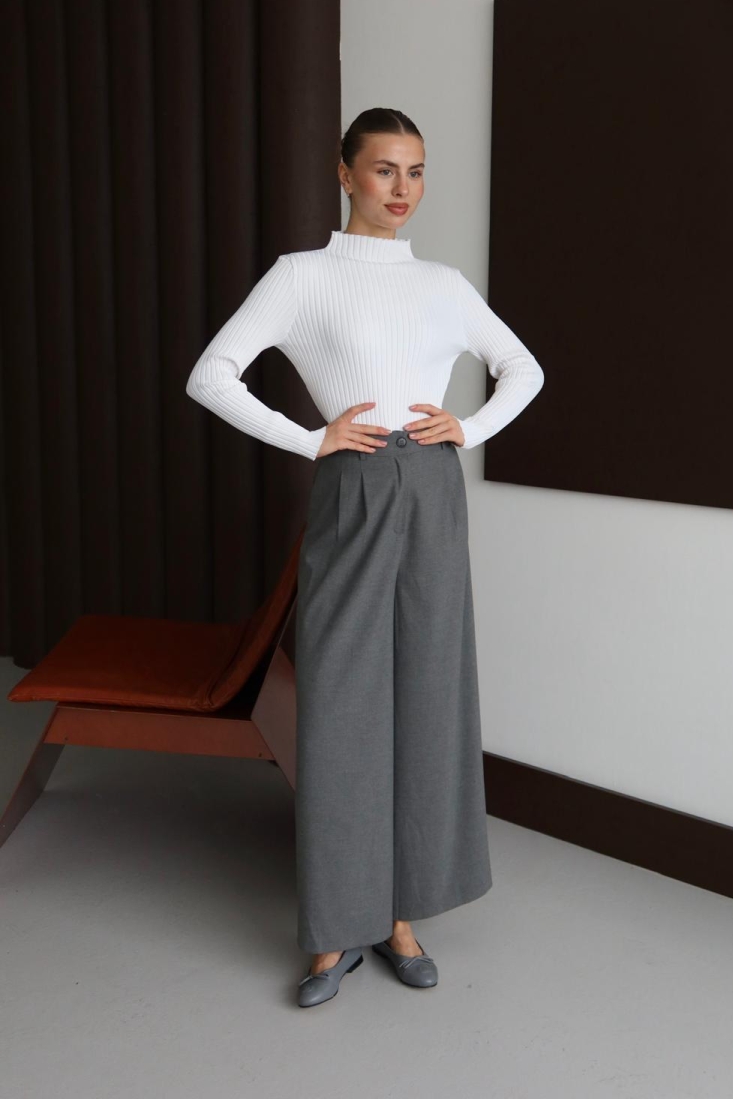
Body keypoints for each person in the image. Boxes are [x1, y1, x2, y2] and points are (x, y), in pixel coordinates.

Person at [186, 107, 544, 1008]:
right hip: (351, 484)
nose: (402, 189)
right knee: (342, 703)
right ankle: (333, 930)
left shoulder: (444, 284)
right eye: (384, 169)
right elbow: (211, 374)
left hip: (432, 489)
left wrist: (469, 428)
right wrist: (310, 440)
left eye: (416, 171)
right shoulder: (301, 277)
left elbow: (523, 368)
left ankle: (401, 918)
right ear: (344, 174)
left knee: (429, 691)